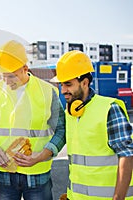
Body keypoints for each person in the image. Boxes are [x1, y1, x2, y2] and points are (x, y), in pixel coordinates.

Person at [19, 50, 133, 200]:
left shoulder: (109, 109)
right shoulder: (71, 113)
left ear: (85, 83)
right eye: (61, 84)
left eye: (68, 84)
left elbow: (127, 154)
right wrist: (37, 158)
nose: (63, 90)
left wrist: (118, 198)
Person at [0, 40, 66, 200]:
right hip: (5, 173)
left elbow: (62, 129)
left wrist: (41, 155)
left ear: (25, 69)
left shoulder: (47, 91)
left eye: (11, 76)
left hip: (37, 173)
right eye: (3, 76)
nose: (7, 81)